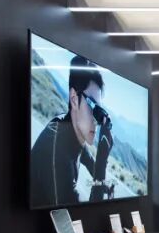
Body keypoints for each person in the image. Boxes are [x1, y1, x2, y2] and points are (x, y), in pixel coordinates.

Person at [30, 57, 114, 207]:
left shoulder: (69, 128)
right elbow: (88, 217)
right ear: (74, 99)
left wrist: (103, 183)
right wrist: (101, 165)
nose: (97, 120)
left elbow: (89, 160)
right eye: (93, 107)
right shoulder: (57, 153)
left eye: (100, 112)